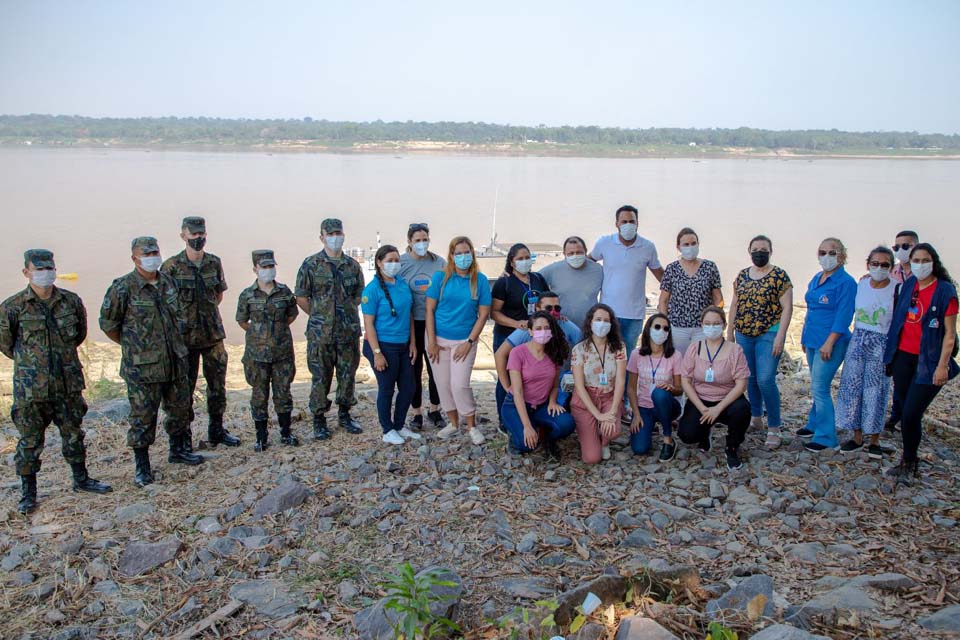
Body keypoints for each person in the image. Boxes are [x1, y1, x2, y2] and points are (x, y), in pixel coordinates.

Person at [1, 250, 112, 513]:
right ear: (26, 273)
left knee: (73, 434)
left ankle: (81, 479)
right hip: (31, 389)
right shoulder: (12, 307)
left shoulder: (70, 302)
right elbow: (7, 345)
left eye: (48, 268)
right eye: (38, 269)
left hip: (67, 383)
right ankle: (28, 493)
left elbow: (79, 336)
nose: (45, 273)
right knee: (29, 441)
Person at [100, 237, 202, 487]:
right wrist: (136, 347)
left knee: (180, 409)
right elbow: (109, 325)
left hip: (175, 361)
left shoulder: (168, 283)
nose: (151, 257)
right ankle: (142, 467)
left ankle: (178, 450)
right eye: (145, 254)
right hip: (143, 368)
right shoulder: (123, 288)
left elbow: (180, 317)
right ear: (134, 258)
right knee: (143, 417)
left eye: (154, 252)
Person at [161, 216, 239, 449]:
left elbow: (218, 294)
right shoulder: (171, 266)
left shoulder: (214, 262)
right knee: (183, 390)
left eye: (201, 234)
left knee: (217, 386)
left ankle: (217, 430)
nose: (198, 238)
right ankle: (183, 438)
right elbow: (165, 302)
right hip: (185, 339)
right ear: (183, 235)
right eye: (193, 234)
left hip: (212, 334)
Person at [882, 243, 958, 483]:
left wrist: (942, 365)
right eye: (916, 260)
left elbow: (949, 333)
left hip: (929, 360)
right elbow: (898, 321)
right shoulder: (909, 285)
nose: (920, 264)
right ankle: (908, 460)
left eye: (925, 260)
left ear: (934, 262)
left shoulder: (945, 291)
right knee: (905, 410)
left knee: (913, 412)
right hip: (904, 356)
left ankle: (910, 461)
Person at [296, 218, 365, 440]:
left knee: (347, 376)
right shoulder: (311, 265)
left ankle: (345, 415)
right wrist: (321, 316)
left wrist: (343, 315)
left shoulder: (352, 266)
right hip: (320, 334)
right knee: (321, 377)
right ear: (322, 237)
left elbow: (358, 296)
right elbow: (301, 297)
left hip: (348, 333)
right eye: (331, 233)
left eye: (338, 233)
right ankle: (319, 419)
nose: (335, 237)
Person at [727, 235, 793, 449]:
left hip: (768, 334)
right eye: (755, 249)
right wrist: (730, 332)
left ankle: (774, 426)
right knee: (751, 378)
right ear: (749, 251)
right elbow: (734, 304)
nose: (759, 252)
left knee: (766, 379)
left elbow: (787, 308)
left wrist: (781, 336)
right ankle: (756, 417)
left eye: (763, 249)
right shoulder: (742, 276)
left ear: (770, 251)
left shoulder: (779, 276)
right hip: (744, 334)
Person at [426, 236, 491, 445]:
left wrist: (470, 341)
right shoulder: (440, 278)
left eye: (467, 252)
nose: (464, 257)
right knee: (443, 384)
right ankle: (453, 424)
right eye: (459, 253)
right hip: (438, 339)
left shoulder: (479, 280)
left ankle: (471, 425)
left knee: (460, 384)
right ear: (452, 256)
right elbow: (430, 309)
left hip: (465, 340)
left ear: (472, 253)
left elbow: (483, 315)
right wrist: (432, 342)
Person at [836, 247, 897, 458]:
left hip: (882, 343)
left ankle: (874, 440)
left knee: (876, 391)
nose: (879, 268)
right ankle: (856, 436)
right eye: (875, 264)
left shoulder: (897, 289)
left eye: (884, 265)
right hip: (858, 339)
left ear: (891, 267)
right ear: (867, 264)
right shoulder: (861, 284)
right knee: (853, 389)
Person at [797, 238, 857, 452]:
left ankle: (826, 436)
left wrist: (830, 342)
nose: (826, 256)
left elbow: (844, 316)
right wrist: (804, 338)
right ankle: (814, 423)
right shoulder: (817, 278)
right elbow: (811, 309)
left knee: (820, 388)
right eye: (822, 252)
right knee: (816, 384)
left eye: (832, 252)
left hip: (831, 343)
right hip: (812, 340)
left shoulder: (846, 283)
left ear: (842, 255)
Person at [236, 250, 299, 452]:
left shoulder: (285, 292)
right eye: (264, 267)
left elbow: (291, 315)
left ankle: (286, 433)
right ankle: (261, 437)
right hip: (257, 355)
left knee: (283, 393)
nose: (268, 270)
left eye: (271, 266)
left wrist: (276, 332)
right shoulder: (247, 295)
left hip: (282, 354)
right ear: (255, 269)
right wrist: (260, 334)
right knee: (259, 395)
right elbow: (242, 320)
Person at [678, 306, 752, 470]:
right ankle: (704, 433)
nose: (712, 327)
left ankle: (732, 446)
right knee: (686, 435)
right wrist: (703, 409)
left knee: (743, 410)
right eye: (708, 323)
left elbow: (741, 384)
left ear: (724, 325)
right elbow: (685, 380)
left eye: (716, 323)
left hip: (727, 400)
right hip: (701, 400)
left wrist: (718, 408)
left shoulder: (735, 350)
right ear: (702, 325)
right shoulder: (694, 348)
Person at [362, 245, 422, 445]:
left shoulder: (403, 284)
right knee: (387, 388)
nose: (394, 264)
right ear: (379, 263)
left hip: (404, 345)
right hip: (383, 346)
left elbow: (409, 315)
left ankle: (399, 425)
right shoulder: (372, 290)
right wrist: (377, 352)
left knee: (409, 387)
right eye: (389, 260)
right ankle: (387, 429)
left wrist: (413, 343)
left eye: (397, 260)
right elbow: (368, 323)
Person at [494, 291, 582, 424]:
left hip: (555, 379)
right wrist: (506, 386)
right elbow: (500, 354)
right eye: (548, 308)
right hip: (527, 380)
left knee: (564, 419)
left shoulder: (566, 325)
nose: (553, 312)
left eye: (557, 308)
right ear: (537, 309)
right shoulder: (529, 329)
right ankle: (506, 423)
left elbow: (584, 347)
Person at [590, 205, 663, 359]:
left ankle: (626, 384)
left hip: (634, 315)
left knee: (628, 357)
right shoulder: (604, 243)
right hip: (608, 313)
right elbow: (588, 263)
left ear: (637, 223)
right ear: (616, 224)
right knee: (606, 356)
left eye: (632, 221)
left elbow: (661, 276)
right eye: (624, 222)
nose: (628, 225)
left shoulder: (647, 247)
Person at [501, 311, 575, 459]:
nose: (543, 332)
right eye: (538, 328)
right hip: (516, 404)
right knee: (525, 445)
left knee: (567, 424)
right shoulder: (517, 353)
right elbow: (518, 392)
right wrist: (527, 427)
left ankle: (548, 438)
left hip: (542, 404)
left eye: (547, 328)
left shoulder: (555, 353)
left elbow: (555, 386)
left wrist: (553, 401)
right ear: (530, 331)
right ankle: (518, 432)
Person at [397, 222, 446, 431]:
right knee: (413, 368)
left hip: (434, 322)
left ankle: (435, 409)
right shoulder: (400, 262)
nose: (421, 243)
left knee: (435, 366)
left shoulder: (438, 262)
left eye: (425, 239)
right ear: (409, 242)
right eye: (417, 240)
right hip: (411, 322)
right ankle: (416, 412)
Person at [570, 304, 627, 464]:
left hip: (609, 397)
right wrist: (598, 415)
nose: (602, 323)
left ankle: (604, 441)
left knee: (612, 430)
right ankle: (589, 432)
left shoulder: (619, 347)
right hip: (586, 400)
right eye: (598, 319)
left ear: (612, 324)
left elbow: (621, 380)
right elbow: (579, 387)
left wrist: (612, 412)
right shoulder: (579, 349)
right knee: (591, 458)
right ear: (590, 322)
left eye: (606, 320)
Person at [626, 313, 683, 461]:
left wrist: (669, 388)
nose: (661, 331)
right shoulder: (636, 354)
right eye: (657, 327)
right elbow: (631, 388)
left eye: (665, 328)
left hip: (667, 404)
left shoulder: (675, 355)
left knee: (659, 393)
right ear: (648, 329)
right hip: (644, 407)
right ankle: (650, 426)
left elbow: (680, 389)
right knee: (640, 449)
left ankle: (668, 439)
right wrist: (636, 414)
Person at [657, 227, 723, 354]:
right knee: (678, 367)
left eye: (693, 243)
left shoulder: (710, 267)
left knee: (702, 364)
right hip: (677, 328)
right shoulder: (672, 269)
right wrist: (664, 326)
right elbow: (663, 300)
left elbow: (718, 298)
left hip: (703, 328)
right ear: (679, 247)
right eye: (686, 244)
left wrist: (717, 322)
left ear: (698, 244)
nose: (690, 247)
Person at [885, 230, 920, 432]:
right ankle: (898, 415)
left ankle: (911, 417)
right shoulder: (892, 273)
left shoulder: (925, 274)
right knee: (899, 378)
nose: (901, 251)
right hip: (898, 335)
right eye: (896, 247)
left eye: (906, 246)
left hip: (920, 335)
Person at [491, 243, 548, 353]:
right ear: (512, 262)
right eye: (520, 259)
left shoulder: (538, 278)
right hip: (507, 336)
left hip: (534, 336)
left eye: (527, 258)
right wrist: (516, 323)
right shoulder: (504, 282)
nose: (525, 261)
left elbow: (547, 302)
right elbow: (494, 312)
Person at [541, 236, 603, 328]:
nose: (575, 256)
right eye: (571, 253)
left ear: (586, 251)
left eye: (579, 252)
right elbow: (532, 283)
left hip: (590, 327)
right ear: (564, 254)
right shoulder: (553, 270)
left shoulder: (598, 270)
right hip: (562, 326)